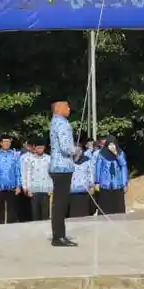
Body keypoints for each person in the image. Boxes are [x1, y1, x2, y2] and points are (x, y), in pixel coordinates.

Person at [48, 99, 80, 246]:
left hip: (58, 167)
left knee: (58, 203)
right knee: (61, 203)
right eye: (66, 106)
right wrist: (76, 150)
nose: (69, 109)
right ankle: (58, 237)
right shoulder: (62, 123)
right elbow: (66, 147)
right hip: (62, 167)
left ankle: (59, 234)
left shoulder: (55, 122)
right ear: (58, 109)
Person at [0, 137, 22, 225]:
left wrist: (18, 185)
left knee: (12, 210)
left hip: (11, 186)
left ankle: (10, 229)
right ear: (1, 143)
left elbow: (17, 170)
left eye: (8, 142)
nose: (7, 143)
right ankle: (0, 228)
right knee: (0, 209)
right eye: (5, 142)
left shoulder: (14, 155)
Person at [94, 136, 129, 215]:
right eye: (110, 144)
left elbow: (124, 166)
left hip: (118, 185)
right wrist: (97, 182)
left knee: (119, 209)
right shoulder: (102, 154)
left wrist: (125, 184)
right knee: (105, 209)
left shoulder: (121, 153)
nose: (112, 146)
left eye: (113, 144)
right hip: (105, 185)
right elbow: (98, 168)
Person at [20, 139, 52, 222]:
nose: (40, 150)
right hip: (34, 190)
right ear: (35, 148)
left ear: (44, 148)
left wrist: (51, 188)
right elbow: (27, 174)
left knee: (45, 215)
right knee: (35, 215)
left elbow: (51, 174)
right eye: (38, 148)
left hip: (45, 189)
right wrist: (27, 187)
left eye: (42, 148)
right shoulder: (29, 159)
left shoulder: (49, 158)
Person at [68, 151, 95, 218]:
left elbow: (91, 173)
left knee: (84, 215)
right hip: (72, 191)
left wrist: (91, 185)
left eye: (80, 150)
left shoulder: (87, 160)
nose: (78, 152)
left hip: (84, 191)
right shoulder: (68, 161)